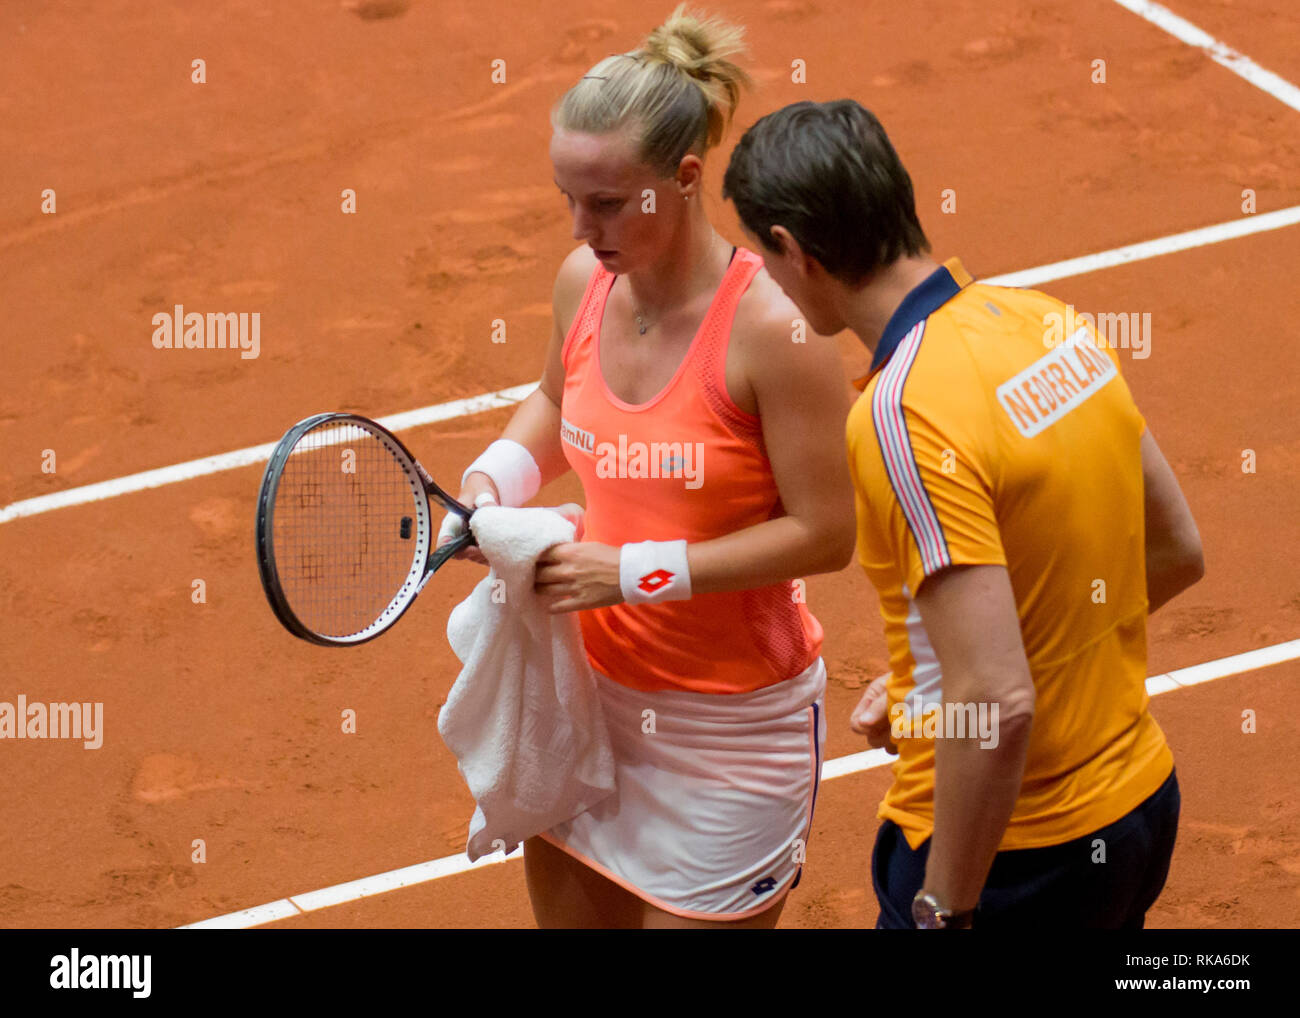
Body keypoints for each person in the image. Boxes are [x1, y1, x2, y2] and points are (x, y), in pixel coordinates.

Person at [722, 98, 1205, 928]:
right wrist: (936, 698)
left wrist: (943, 904)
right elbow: (1175, 552)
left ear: (793, 253)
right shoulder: (1048, 323)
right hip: (1137, 810)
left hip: (1015, 855)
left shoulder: (901, 415)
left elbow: (1001, 696)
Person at [438, 8, 856, 928]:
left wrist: (628, 573)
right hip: (586, 707)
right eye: (569, 200)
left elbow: (827, 536)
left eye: (609, 202)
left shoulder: (774, 332)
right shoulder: (582, 282)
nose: (585, 228)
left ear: (685, 178)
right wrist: (491, 488)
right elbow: (555, 404)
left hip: (730, 735)